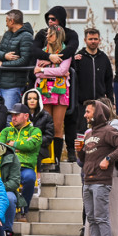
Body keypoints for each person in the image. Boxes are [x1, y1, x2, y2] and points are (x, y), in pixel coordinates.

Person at [75, 101, 118, 236]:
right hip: (88, 180)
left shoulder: (108, 131)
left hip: (101, 180)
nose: (85, 115)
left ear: (98, 113)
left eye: (88, 112)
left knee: (101, 217)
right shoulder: (89, 133)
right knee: (91, 218)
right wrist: (79, 151)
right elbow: (84, 159)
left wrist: (108, 159)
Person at [70, 28, 114, 163]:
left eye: (95, 39)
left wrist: (111, 102)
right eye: (90, 39)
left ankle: (98, 155)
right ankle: (80, 157)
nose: (93, 42)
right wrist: (73, 60)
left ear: (99, 40)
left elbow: (108, 81)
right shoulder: (78, 57)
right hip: (81, 102)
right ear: (85, 40)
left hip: (100, 103)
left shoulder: (104, 58)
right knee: (81, 130)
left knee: (99, 132)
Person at [34, 24, 74, 165]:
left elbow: (62, 71)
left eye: (50, 34)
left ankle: (56, 159)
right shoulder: (43, 51)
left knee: (57, 126)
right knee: (45, 125)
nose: (47, 37)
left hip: (60, 91)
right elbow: (36, 72)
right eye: (47, 34)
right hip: (44, 91)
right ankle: (45, 158)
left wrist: (45, 69)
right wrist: (48, 64)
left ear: (58, 36)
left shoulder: (65, 52)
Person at [0, 104, 41, 216]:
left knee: (30, 178)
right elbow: (1, 148)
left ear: (26, 116)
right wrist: (19, 147)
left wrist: (13, 144)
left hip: (25, 167)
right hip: (7, 167)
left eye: (16, 115)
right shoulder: (5, 131)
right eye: (12, 115)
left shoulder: (35, 131)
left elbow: (31, 145)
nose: (13, 118)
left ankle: (24, 210)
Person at [0, 8, 34, 115]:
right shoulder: (7, 34)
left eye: (6, 21)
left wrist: (3, 64)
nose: (6, 24)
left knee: (10, 116)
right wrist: (5, 56)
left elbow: (24, 60)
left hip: (13, 86)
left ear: (12, 21)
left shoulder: (26, 37)